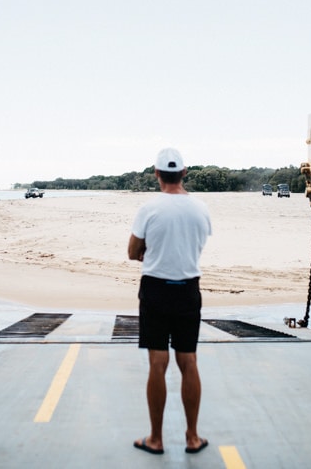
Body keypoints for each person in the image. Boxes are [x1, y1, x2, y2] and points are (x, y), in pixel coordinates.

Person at [127, 147, 212, 455]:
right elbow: (197, 244)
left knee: (157, 362)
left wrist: (147, 249)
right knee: (188, 361)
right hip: (188, 288)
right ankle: (191, 437)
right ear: (184, 173)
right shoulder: (200, 209)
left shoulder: (148, 209)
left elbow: (132, 250)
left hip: (155, 289)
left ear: (157, 174)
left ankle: (156, 439)